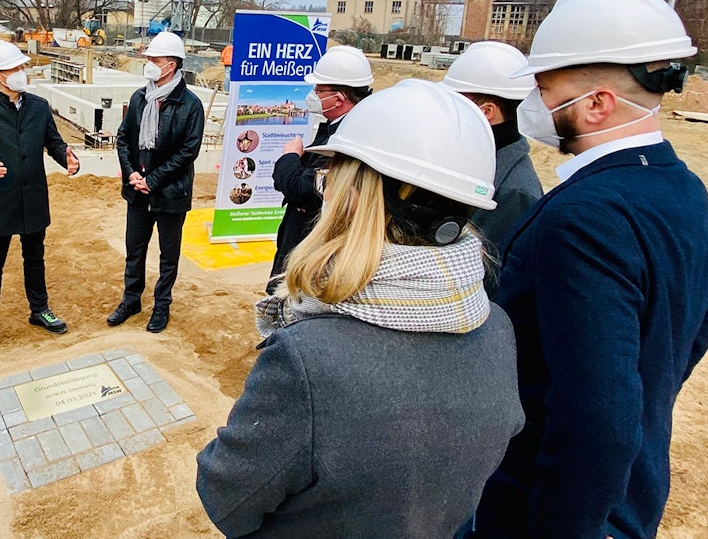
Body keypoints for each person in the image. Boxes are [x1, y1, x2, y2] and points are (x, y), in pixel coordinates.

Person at [196, 81, 524, 538]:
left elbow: (227, 498)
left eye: (332, 176)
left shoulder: (309, 359)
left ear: (353, 196)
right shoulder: (497, 328)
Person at [472, 0, 708, 539]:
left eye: (544, 89)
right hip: (627, 494)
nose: (535, 105)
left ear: (597, 103)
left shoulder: (584, 218)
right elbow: (698, 324)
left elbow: (597, 417)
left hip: (554, 510)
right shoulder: (681, 187)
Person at [0, 40, 80, 358]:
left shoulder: (39, 106)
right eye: (14, 68)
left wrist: (67, 158)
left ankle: (40, 310)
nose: (21, 72)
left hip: (33, 198)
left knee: (35, 258)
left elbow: (54, 143)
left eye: (22, 66)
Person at [107, 31, 204, 333]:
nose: (149, 64)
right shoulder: (140, 98)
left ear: (171, 65)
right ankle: (131, 300)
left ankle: (162, 305)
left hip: (171, 194)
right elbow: (124, 137)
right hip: (137, 191)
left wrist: (154, 180)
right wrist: (131, 173)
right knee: (134, 250)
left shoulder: (190, 105)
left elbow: (188, 151)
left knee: (168, 255)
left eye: (155, 59)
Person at [269, 45, 374, 283]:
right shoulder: (339, 125)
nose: (313, 94)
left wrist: (290, 157)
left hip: (312, 243)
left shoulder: (348, 138)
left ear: (339, 99)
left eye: (319, 89)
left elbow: (301, 190)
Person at [441, 41, 544, 256]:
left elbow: (487, 269)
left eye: (457, 101)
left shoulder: (515, 193)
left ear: (487, 111)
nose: (449, 110)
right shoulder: (480, 159)